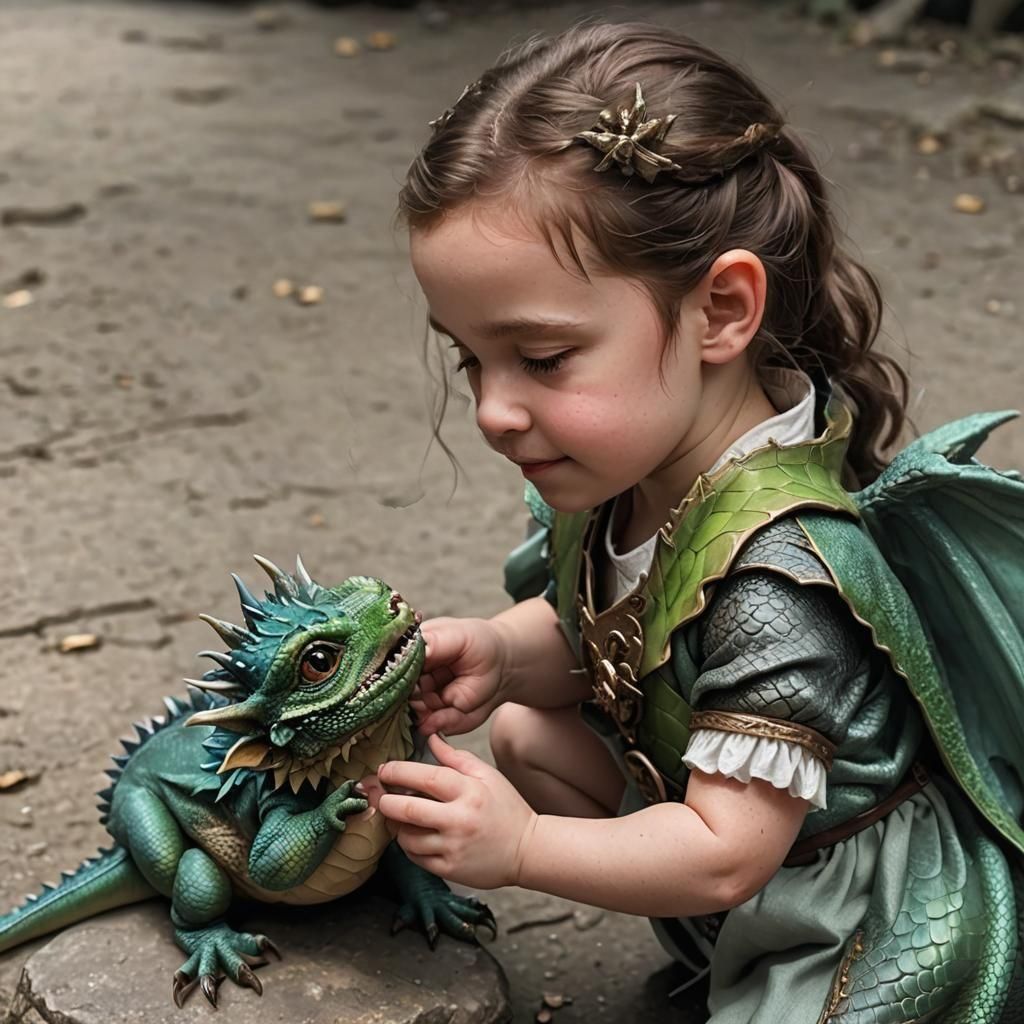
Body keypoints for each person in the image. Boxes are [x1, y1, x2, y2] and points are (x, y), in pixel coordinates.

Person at [359, 20, 1024, 1022]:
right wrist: (499, 651)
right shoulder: (620, 470)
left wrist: (523, 849)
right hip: (748, 845)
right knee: (533, 732)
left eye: (540, 359)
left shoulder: (782, 580)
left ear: (720, 310)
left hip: (855, 912)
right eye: (469, 359)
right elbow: (610, 636)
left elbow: (722, 852)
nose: (493, 410)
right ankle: (724, 958)